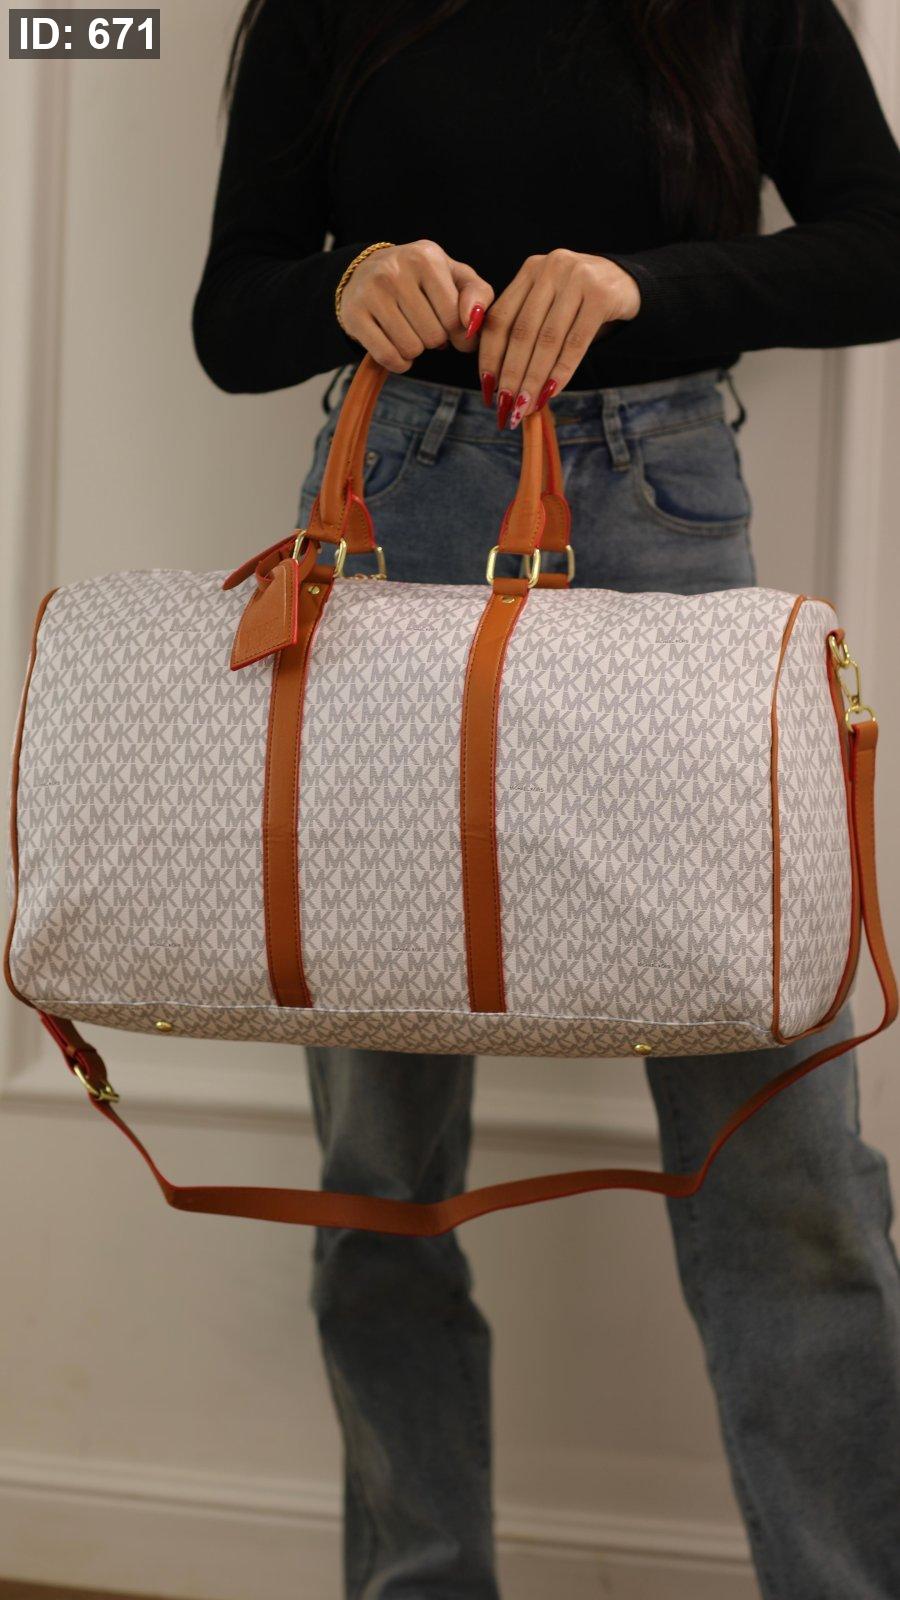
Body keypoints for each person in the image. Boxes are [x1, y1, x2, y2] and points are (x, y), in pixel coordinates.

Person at [192, 4, 900, 1596]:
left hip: (662, 516)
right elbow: (234, 314)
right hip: (390, 524)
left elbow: (883, 245)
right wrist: (343, 282)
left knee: (786, 1164)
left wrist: (642, 284)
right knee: (379, 1173)